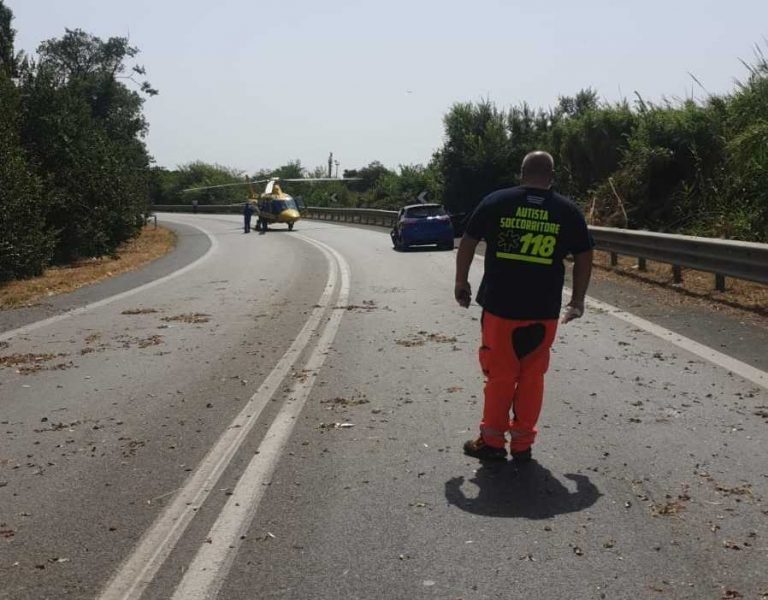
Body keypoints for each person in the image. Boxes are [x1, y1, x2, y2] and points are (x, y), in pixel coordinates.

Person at [454, 151, 594, 463]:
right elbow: (585, 255)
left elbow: (468, 241)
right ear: (552, 176)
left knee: (500, 375)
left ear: (521, 173)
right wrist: (577, 300)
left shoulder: (496, 201)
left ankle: (492, 442)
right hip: (544, 311)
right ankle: (522, 445)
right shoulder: (567, 211)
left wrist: (461, 282)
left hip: (501, 308)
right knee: (532, 377)